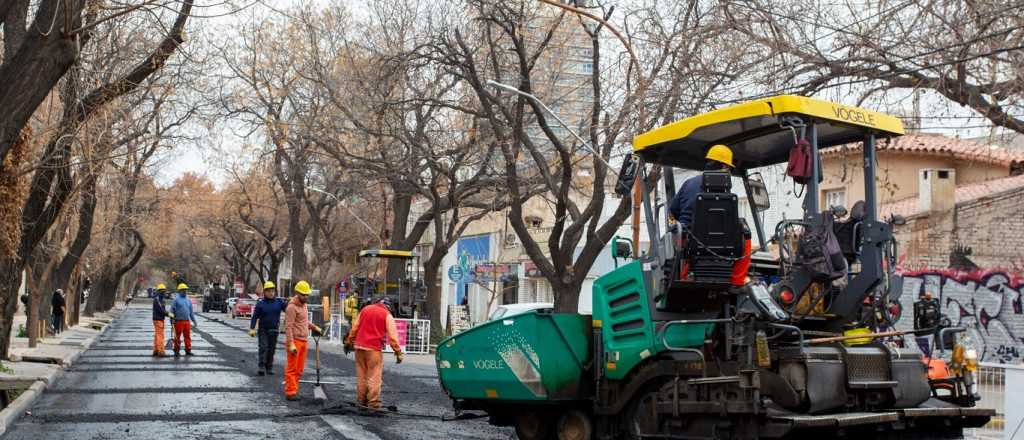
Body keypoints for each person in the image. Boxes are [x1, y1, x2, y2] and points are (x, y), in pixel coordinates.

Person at [344, 297, 404, 410]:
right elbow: (393, 337)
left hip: (359, 348)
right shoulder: (387, 315)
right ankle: (373, 404)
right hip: (373, 349)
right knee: (374, 376)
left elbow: (354, 328)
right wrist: (398, 352)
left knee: (362, 376)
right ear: (389, 306)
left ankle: (361, 401)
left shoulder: (365, 310)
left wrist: (349, 342)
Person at [668, 144, 734, 227]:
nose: (730, 173)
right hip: (718, 236)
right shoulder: (725, 190)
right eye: (730, 169)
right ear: (725, 166)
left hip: (686, 235)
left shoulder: (688, 183)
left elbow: (673, 210)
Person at [283, 280, 322, 401]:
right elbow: (288, 327)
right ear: (298, 293)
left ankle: (295, 390)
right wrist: (291, 344)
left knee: (299, 369)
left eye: (307, 294)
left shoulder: (304, 306)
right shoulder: (291, 307)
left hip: (304, 340)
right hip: (295, 341)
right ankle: (290, 392)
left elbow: (303, 321)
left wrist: (313, 327)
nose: (306, 297)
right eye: (304, 294)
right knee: (292, 368)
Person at [248, 281, 287, 376]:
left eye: (273, 291)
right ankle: (261, 367)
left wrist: (291, 302)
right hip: (263, 330)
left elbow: (289, 309)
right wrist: (252, 328)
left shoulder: (279, 302)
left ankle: (269, 367)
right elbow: (254, 317)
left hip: (274, 330)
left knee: (271, 349)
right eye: (269, 291)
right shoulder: (260, 304)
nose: (271, 293)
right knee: (263, 347)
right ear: (264, 292)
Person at [170, 283, 198, 357]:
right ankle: (176, 351)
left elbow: (191, 312)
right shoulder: (176, 300)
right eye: (183, 290)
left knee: (187, 336)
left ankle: (188, 350)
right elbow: (171, 311)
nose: (185, 291)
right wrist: (171, 320)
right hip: (178, 321)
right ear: (180, 291)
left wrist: (194, 321)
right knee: (177, 337)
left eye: (186, 290)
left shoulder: (188, 300)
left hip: (186, 321)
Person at [152, 284, 169, 357]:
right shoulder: (157, 299)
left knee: (157, 335)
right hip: (158, 319)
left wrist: (167, 313)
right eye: (162, 291)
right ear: (159, 291)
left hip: (159, 319)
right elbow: (161, 310)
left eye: (164, 291)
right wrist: (168, 314)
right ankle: (161, 351)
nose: (164, 292)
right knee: (160, 335)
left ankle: (156, 350)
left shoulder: (162, 299)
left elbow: (163, 310)